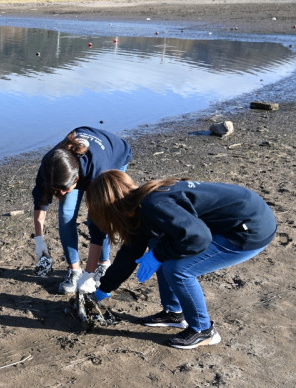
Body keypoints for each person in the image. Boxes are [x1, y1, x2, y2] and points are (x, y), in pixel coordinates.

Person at [82, 171, 277, 349]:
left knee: (178, 269)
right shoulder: (139, 206)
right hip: (240, 213)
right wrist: (104, 289)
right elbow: (129, 254)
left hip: (251, 228)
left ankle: (204, 330)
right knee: (159, 247)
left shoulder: (153, 205)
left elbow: (199, 238)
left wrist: (158, 255)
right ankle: (174, 313)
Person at [31, 127, 132, 294]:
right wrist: (39, 239)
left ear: (77, 178)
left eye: (65, 189)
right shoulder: (49, 166)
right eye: (57, 189)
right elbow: (40, 200)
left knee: (97, 218)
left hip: (115, 155)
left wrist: (89, 274)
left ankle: (103, 265)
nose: (61, 194)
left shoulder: (99, 171)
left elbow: (100, 225)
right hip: (75, 166)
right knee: (66, 214)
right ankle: (74, 270)